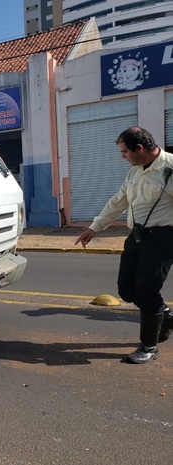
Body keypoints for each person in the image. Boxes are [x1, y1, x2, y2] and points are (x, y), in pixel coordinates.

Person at [75, 127, 173, 364]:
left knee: (147, 291)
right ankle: (165, 315)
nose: (122, 156)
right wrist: (94, 228)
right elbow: (118, 201)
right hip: (137, 236)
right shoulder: (134, 172)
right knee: (127, 290)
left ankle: (149, 346)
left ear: (139, 149)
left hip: (162, 237)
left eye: (124, 152)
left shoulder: (169, 169)